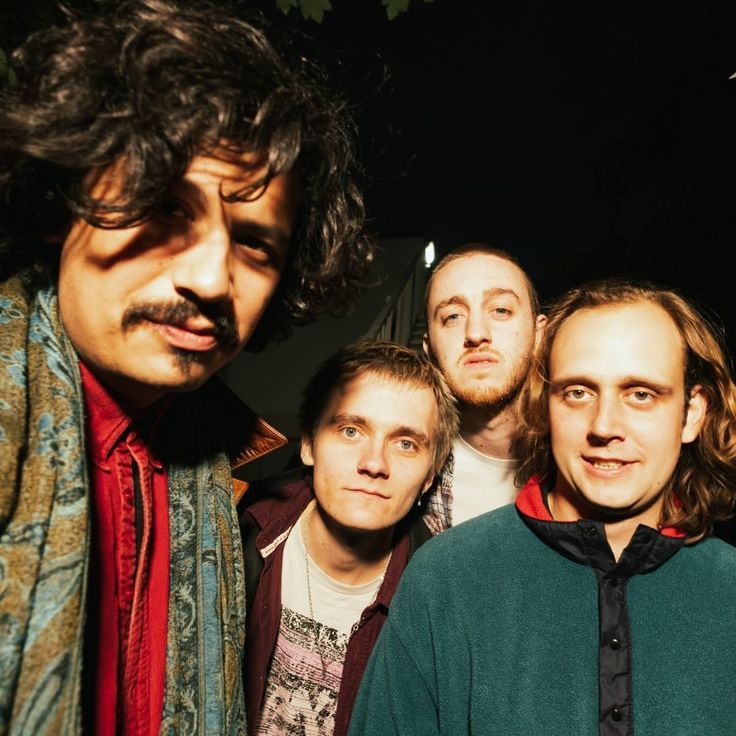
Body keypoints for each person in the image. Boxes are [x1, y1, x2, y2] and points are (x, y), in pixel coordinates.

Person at [0, 1, 371, 733]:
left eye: (255, 244)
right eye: (167, 207)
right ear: (64, 200)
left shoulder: (216, 475)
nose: (210, 278)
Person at [350, 280, 736, 736]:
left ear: (692, 414)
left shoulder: (727, 584)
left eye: (641, 394)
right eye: (578, 392)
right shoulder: (444, 578)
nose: (604, 425)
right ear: (546, 406)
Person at [240, 340, 457, 736]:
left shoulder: (442, 605)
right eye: (351, 430)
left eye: (405, 443)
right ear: (309, 444)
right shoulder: (237, 538)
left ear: (429, 475)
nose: (374, 463)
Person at [422, 243, 546, 531]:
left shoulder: (585, 464)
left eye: (500, 310)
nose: (476, 333)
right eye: (453, 316)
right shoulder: (405, 471)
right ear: (429, 348)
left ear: (539, 334)